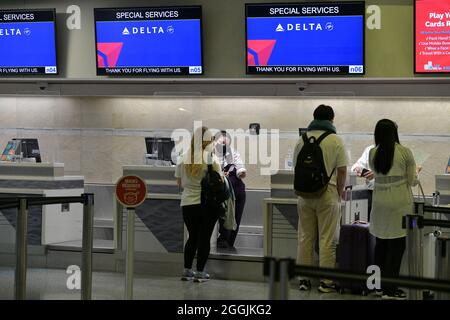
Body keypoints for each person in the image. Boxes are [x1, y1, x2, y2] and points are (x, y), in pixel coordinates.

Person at [293, 104, 348, 293]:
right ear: (331, 119)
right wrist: (339, 193)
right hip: (328, 194)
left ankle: (303, 279)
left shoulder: (302, 139)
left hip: (304, 195)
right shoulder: (335, 140)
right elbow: (342, 171)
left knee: (305, 237)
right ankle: (326, 282)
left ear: (314, 117)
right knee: (327, 239)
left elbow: (296, 168)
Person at [368, 119, 420, 300]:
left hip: (379, 203)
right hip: (399, 204)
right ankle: (391, 290)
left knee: (381, 244)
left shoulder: (373, 152)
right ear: (394, 133)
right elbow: (412, 180)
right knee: (396, 247)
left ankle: (378, 287)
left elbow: (377, 174)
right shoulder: (405, 152)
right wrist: (417, 172)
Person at [175, 127, 223, 282]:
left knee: (192, 237)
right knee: (204, 238)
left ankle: (186, 270)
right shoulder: (211, 158)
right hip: (206, 204)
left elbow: (180, 183)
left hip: (187, 203)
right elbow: (219, 182)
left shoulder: (182, 157)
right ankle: (200, 273)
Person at [214, 130, 247, 250]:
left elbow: (240, 169)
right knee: (224, 218)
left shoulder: (233, 153)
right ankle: (222, 240)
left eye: (226, 142)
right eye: (221, 141)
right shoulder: (211, 155)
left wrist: (241, 172)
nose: (224, 144)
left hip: (237, 191)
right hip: (221, 193)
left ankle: (228, 243)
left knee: (235, 220)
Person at [351, 144, 375, 216]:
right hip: (371, 192)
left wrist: (377, 175)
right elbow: (359, 164)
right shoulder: (370, 149)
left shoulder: (397, 151)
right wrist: (358, 168)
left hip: (388, 194)